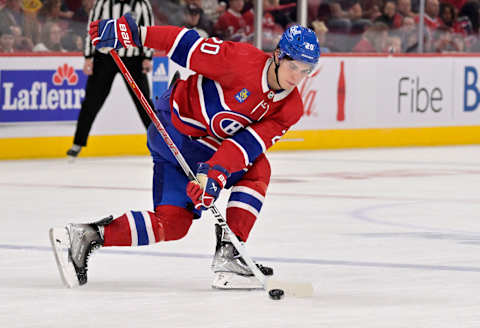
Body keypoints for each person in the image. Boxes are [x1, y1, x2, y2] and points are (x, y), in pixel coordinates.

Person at [50, 14, 320, 290]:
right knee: (249, 175)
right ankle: (227, 253)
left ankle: (86, 235)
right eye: (293, 66)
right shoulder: (240, 61)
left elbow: (247, 145)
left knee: (176, 224)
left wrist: (212, 178)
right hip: (173, 132)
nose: (297, 77)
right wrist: (135, 34)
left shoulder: (291, 108)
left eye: (306, 70)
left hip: (206, 150)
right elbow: (185, 44)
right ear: (278, 55)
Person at [66, 0, 154, 158]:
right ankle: (78, 142)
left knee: (144, 103)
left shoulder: (142, 3)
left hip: (132, 59)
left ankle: (161, 144)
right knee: (92, 101)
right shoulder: (102, 2)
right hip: (105, 57)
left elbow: (148, 29)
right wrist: (88, 57)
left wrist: (147, 56)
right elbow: (92, 28)